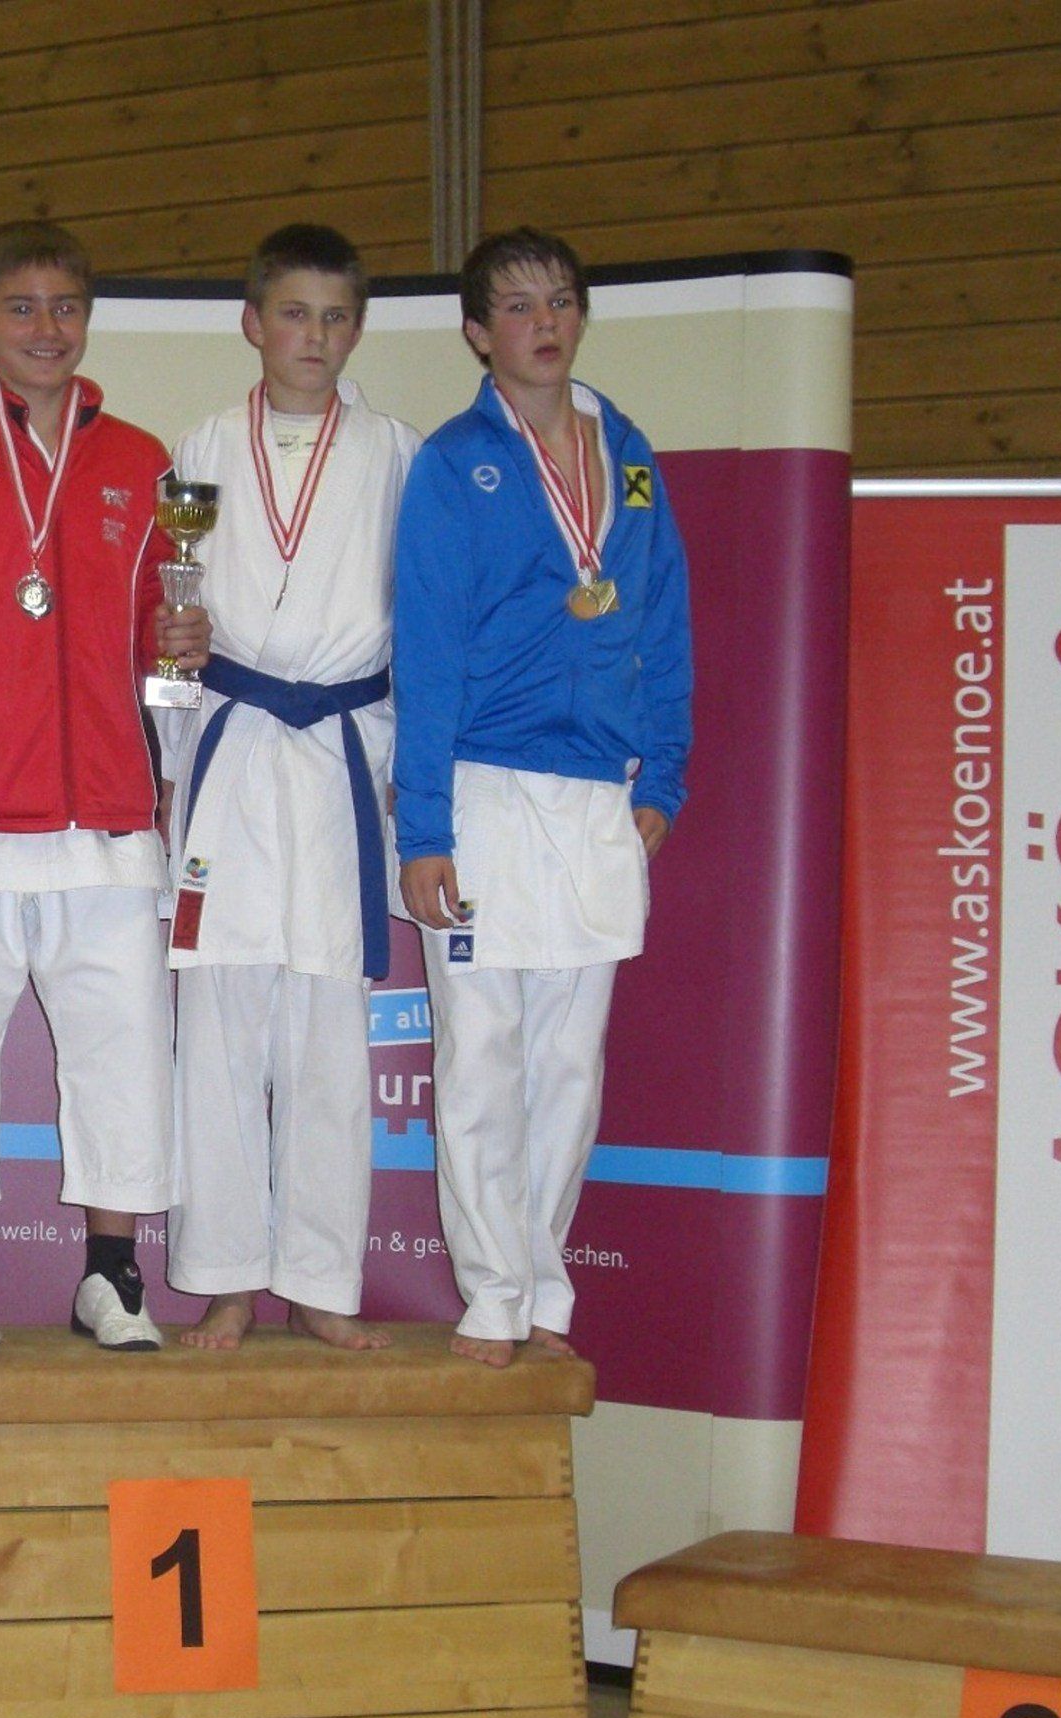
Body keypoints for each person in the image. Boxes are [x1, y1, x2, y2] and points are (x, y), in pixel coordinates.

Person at [0, 220, 209, 1352]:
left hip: (106, 815)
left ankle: (113, 1275)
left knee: (124, 1048)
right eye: (20, 307)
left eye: (65, 306)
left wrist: (176, 675)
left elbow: (160, 645)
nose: (45, 328)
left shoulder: (144, 466)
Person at [391, 227, 692, 1368]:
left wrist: (664, 770)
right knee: (483, 1056)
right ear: (478, 333)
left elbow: (664, 619)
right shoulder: (452, 463)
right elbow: (426, 654)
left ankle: (544, 1281)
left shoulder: (630, 455)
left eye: (560, 300)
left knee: (570, 1065)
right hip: (483, 787)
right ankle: (491, 1289)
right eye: (517, 307)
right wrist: (425, 825)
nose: (544, 322)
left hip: (597, 792)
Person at [163, 224, 418, 1353]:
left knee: (326, 1037)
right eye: (294, 314)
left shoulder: (399, 454)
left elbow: (423, 628)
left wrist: (412, 773)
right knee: (218, 1029)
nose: (314, 337)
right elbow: (175, 614)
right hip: (229, 750)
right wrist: (169, 743)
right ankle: (224, 1278)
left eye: (335, 317)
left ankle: (319, 1279)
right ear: (253, 322)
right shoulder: (203, 446)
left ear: (357, 329)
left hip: (342, 754)